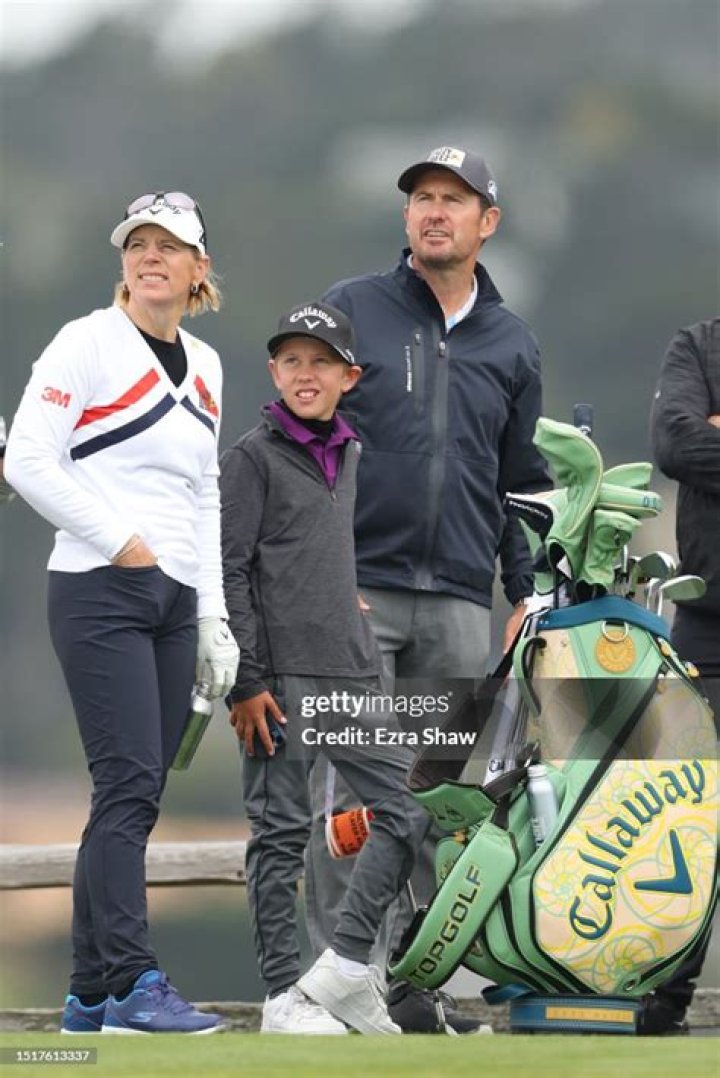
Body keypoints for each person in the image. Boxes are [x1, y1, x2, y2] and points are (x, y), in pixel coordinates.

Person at [304, 144, 551, 1033]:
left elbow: (520, 480)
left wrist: (521, 589)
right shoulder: (352, 309)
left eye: (455, 199)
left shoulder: (512, 341)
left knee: (438, 799)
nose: (434, 211)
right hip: (356, 591)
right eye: (422, 198)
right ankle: (335, 982)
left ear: (488, 222)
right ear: (406, 217)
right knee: (352, 796)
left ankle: (408, 988)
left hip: (457, 600)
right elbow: (303, 444)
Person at [5, 192, 239, 1035]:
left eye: (169, 247)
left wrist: (213, 615)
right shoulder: (87, 342)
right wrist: (119, 539)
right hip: (99, 586)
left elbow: (204, 492)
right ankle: (136, 983)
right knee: (129, 784)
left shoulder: (207, 366)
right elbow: (28, 459)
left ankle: (90, 994)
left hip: (176, 601)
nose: (151, 256)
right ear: (124, 264)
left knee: (132, 793)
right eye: (138, 244)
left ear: (197, 270)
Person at [219, 300, 430, 1035]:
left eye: (321, 362)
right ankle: (282, 997)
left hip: (350, 674)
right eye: (292, 361)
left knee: (408, 811)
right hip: (277, 685)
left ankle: (342, 966)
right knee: (279, 836)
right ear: (274, 371)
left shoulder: (352, 453)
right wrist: (245, 683)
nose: (305, 374)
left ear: (350, 376)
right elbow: (231, 571)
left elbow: (314, 553)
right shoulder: (250, 457)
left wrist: (343, 602)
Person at [646, 317, 719, 1034]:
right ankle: (661, 1006)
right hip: (708, 622)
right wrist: (702, 433)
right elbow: (675, 444)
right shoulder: (699, 346)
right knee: (681, 822)